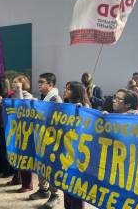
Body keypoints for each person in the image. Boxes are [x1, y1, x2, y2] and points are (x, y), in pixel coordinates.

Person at [29, 73, 62, 208]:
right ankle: (43, 190)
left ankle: (55, 195)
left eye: (42, 82)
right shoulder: (44, 97)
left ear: (51, 84)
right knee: (41, 166)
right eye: (39, 82)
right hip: (41, 137)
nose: (39, 84)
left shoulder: (56, 99)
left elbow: (57, 121)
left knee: (51, 168)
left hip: (51, 140)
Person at [62, 81, 91, 209]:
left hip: (78, 153)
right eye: (66, 88)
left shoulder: (84, 107)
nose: (65, 91)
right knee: (66, 184)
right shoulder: (66, 105)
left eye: (68, 89)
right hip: (66, 150)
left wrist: (82, 111)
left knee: (76, 185)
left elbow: (88, 128)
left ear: (76, 92)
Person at [6, 74, 34, 193]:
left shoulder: (28, 96)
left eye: (16, 82)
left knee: (25, 157)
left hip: (25, 132)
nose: (13, 84)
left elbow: (21, 105)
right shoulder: (13, 95)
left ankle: (28, 184)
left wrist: (18, 90)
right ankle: (17, 178)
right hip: (16, 130)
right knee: (16, 155)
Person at [0, 76, 14, 178]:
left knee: (6, 149)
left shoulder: (11, 95)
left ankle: (8, 170)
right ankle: (0, 168)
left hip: (7, 126)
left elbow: (10, 110)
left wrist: (1, 102)